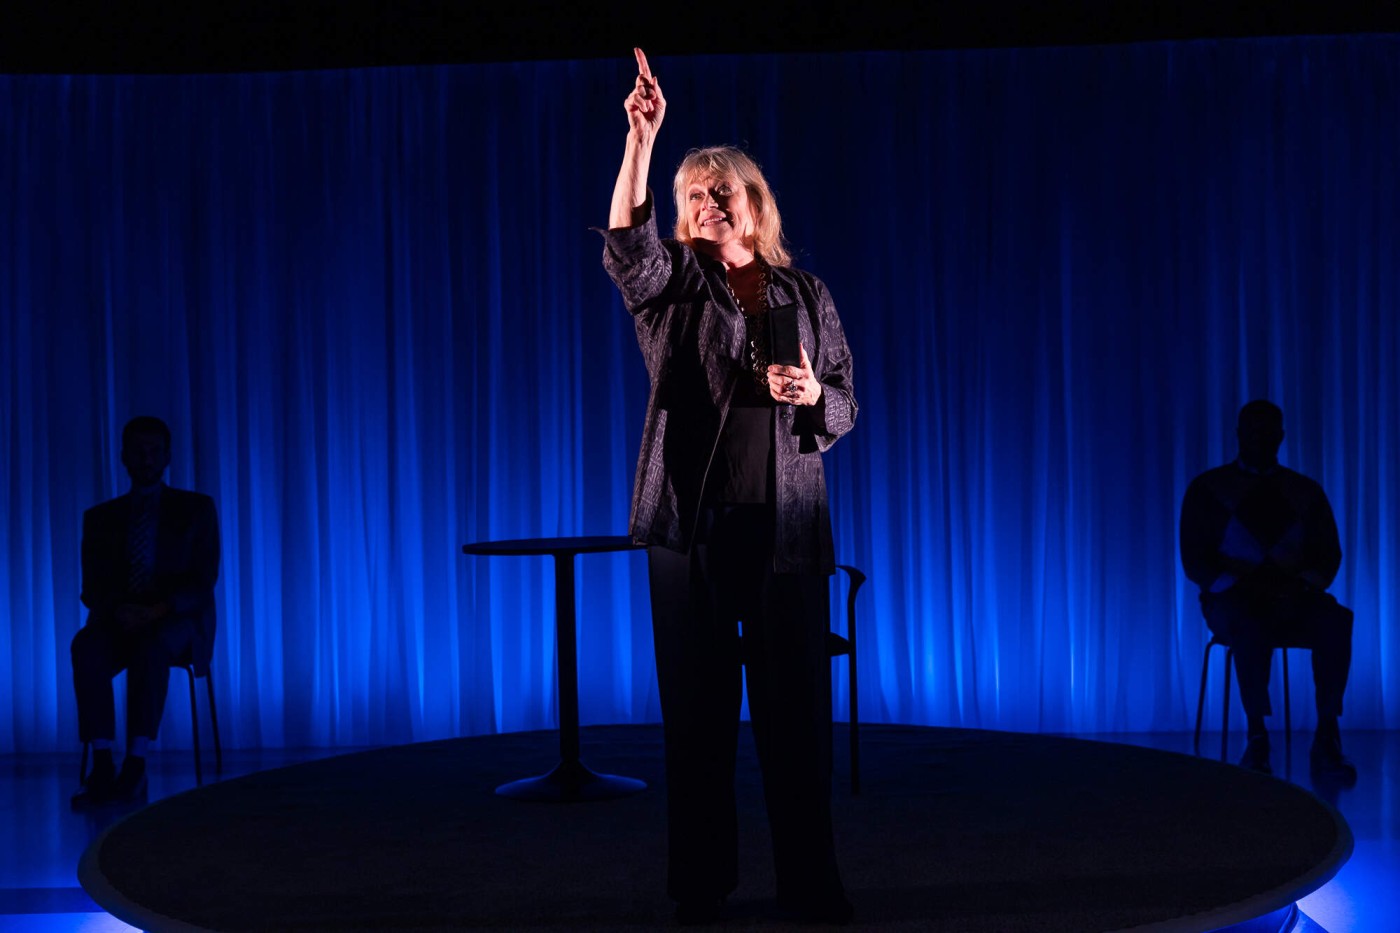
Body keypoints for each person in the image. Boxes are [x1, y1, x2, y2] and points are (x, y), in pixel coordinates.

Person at [602, 49, 857, 925]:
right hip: (693, 530)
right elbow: (628, 249)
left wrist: (815, 394)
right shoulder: (671, 285)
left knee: (797, 725)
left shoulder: (804, 291)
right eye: (692, 196)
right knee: (699, 722)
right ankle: (700, 888)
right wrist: (642, 140)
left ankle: (810, 885)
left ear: (753, 202)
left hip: (785, 527)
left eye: (720, 192)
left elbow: (848, 402)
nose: (706, 205)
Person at [1179, 400, 1355, 783]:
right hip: (1232, 602)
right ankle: (1257, 734)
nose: (1261, 440)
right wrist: (1237, 588)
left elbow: (1329, 554)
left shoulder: (1304, 491)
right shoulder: (1208, 489)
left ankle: (1327, 733)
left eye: (1269, 433)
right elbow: (1195, 559)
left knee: (1336, 622)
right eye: (1253, 432)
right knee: (1248, 623)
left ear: (1281, 437)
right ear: (1239, 434)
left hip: (1292, 598)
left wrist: (1302, 586)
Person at [70, 416, 221, 808]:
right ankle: (102, 761)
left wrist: (157, 610)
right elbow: (92, 587)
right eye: (139, 450)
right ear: (124, 457)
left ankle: (135, 762)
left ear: (167, 456)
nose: (146, 457)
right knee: (85, 647)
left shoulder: (196, 509)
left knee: (150, 648)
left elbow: (203, 580)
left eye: (154, 450)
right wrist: (120, 610)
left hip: (176, 620)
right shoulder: (100, 518)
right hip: (121, 618)